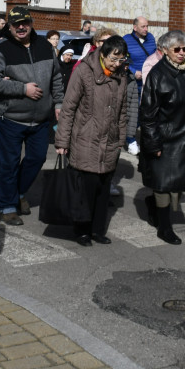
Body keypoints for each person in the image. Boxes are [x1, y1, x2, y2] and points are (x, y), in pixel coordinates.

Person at [0, 5, 64, 226]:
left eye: (25, 23)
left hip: (40, 119)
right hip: (10, 117)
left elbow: (56, 77)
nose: (21, 27)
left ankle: (18, 192)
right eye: (16, 24)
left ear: (31, 24)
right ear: (9, 27)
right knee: (9, 164)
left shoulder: (45, 46)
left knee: (37, 158)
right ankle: (8, 206)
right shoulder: (0, 50)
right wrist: (22, 89)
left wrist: (59, 102)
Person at [55, 35, 130, 245]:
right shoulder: (83, 71)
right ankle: (82, 231)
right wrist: (62, 141)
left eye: (121, 60)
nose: (117, 64)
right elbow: (68, 108)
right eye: (113, 59)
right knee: (85, 190)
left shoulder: (122, 76)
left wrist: (121, 139)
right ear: (103, 54)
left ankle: (97, 230)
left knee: (103, 190)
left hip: (110, 141)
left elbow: (122, 111)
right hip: (85, 139)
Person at [139, 30, 185, 245]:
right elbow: (148, 114)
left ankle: (154, 207)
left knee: (175, 184)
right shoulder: (157, 74)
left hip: (184, 135)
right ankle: (164, 228)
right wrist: (153, 143)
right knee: (163, 185)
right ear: (165, 50)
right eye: (177, 49)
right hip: (164, 136)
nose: (182, 53)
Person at [123, 16, 156, 93]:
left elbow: (155, 56)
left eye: (147, 26)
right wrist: (134, 72)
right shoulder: (126, 40)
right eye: (143, 27)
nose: (146, 29)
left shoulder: (151, 38)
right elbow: (123, 60)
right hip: (134, 83)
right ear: (135, 27)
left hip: (150, 81)